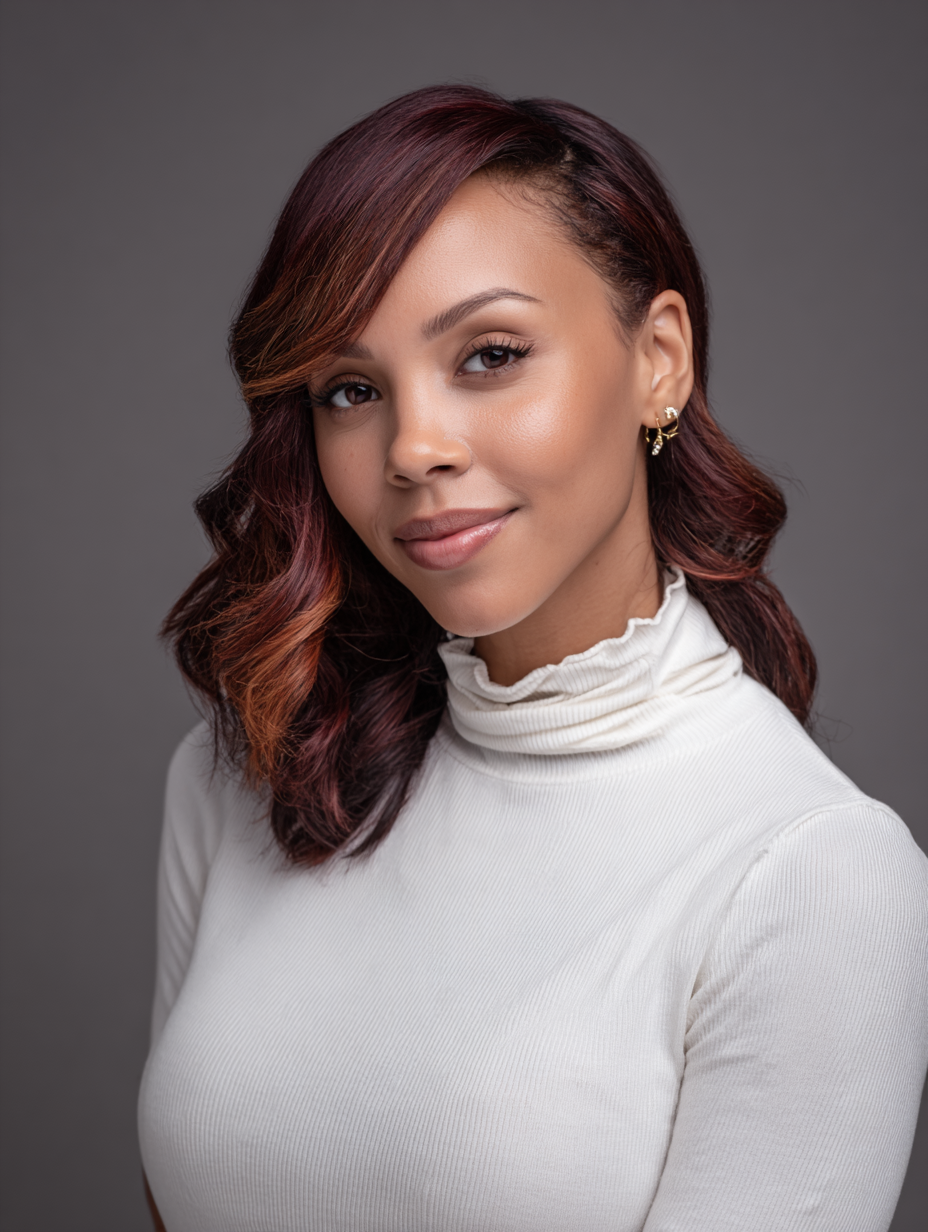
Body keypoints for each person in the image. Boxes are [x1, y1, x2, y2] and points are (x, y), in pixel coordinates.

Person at [137, 85, 928, 1231]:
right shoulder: (246, 776)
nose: (414, 447)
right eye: (351, 389)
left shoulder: (809, 873)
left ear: (658, 359)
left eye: (490, 354)